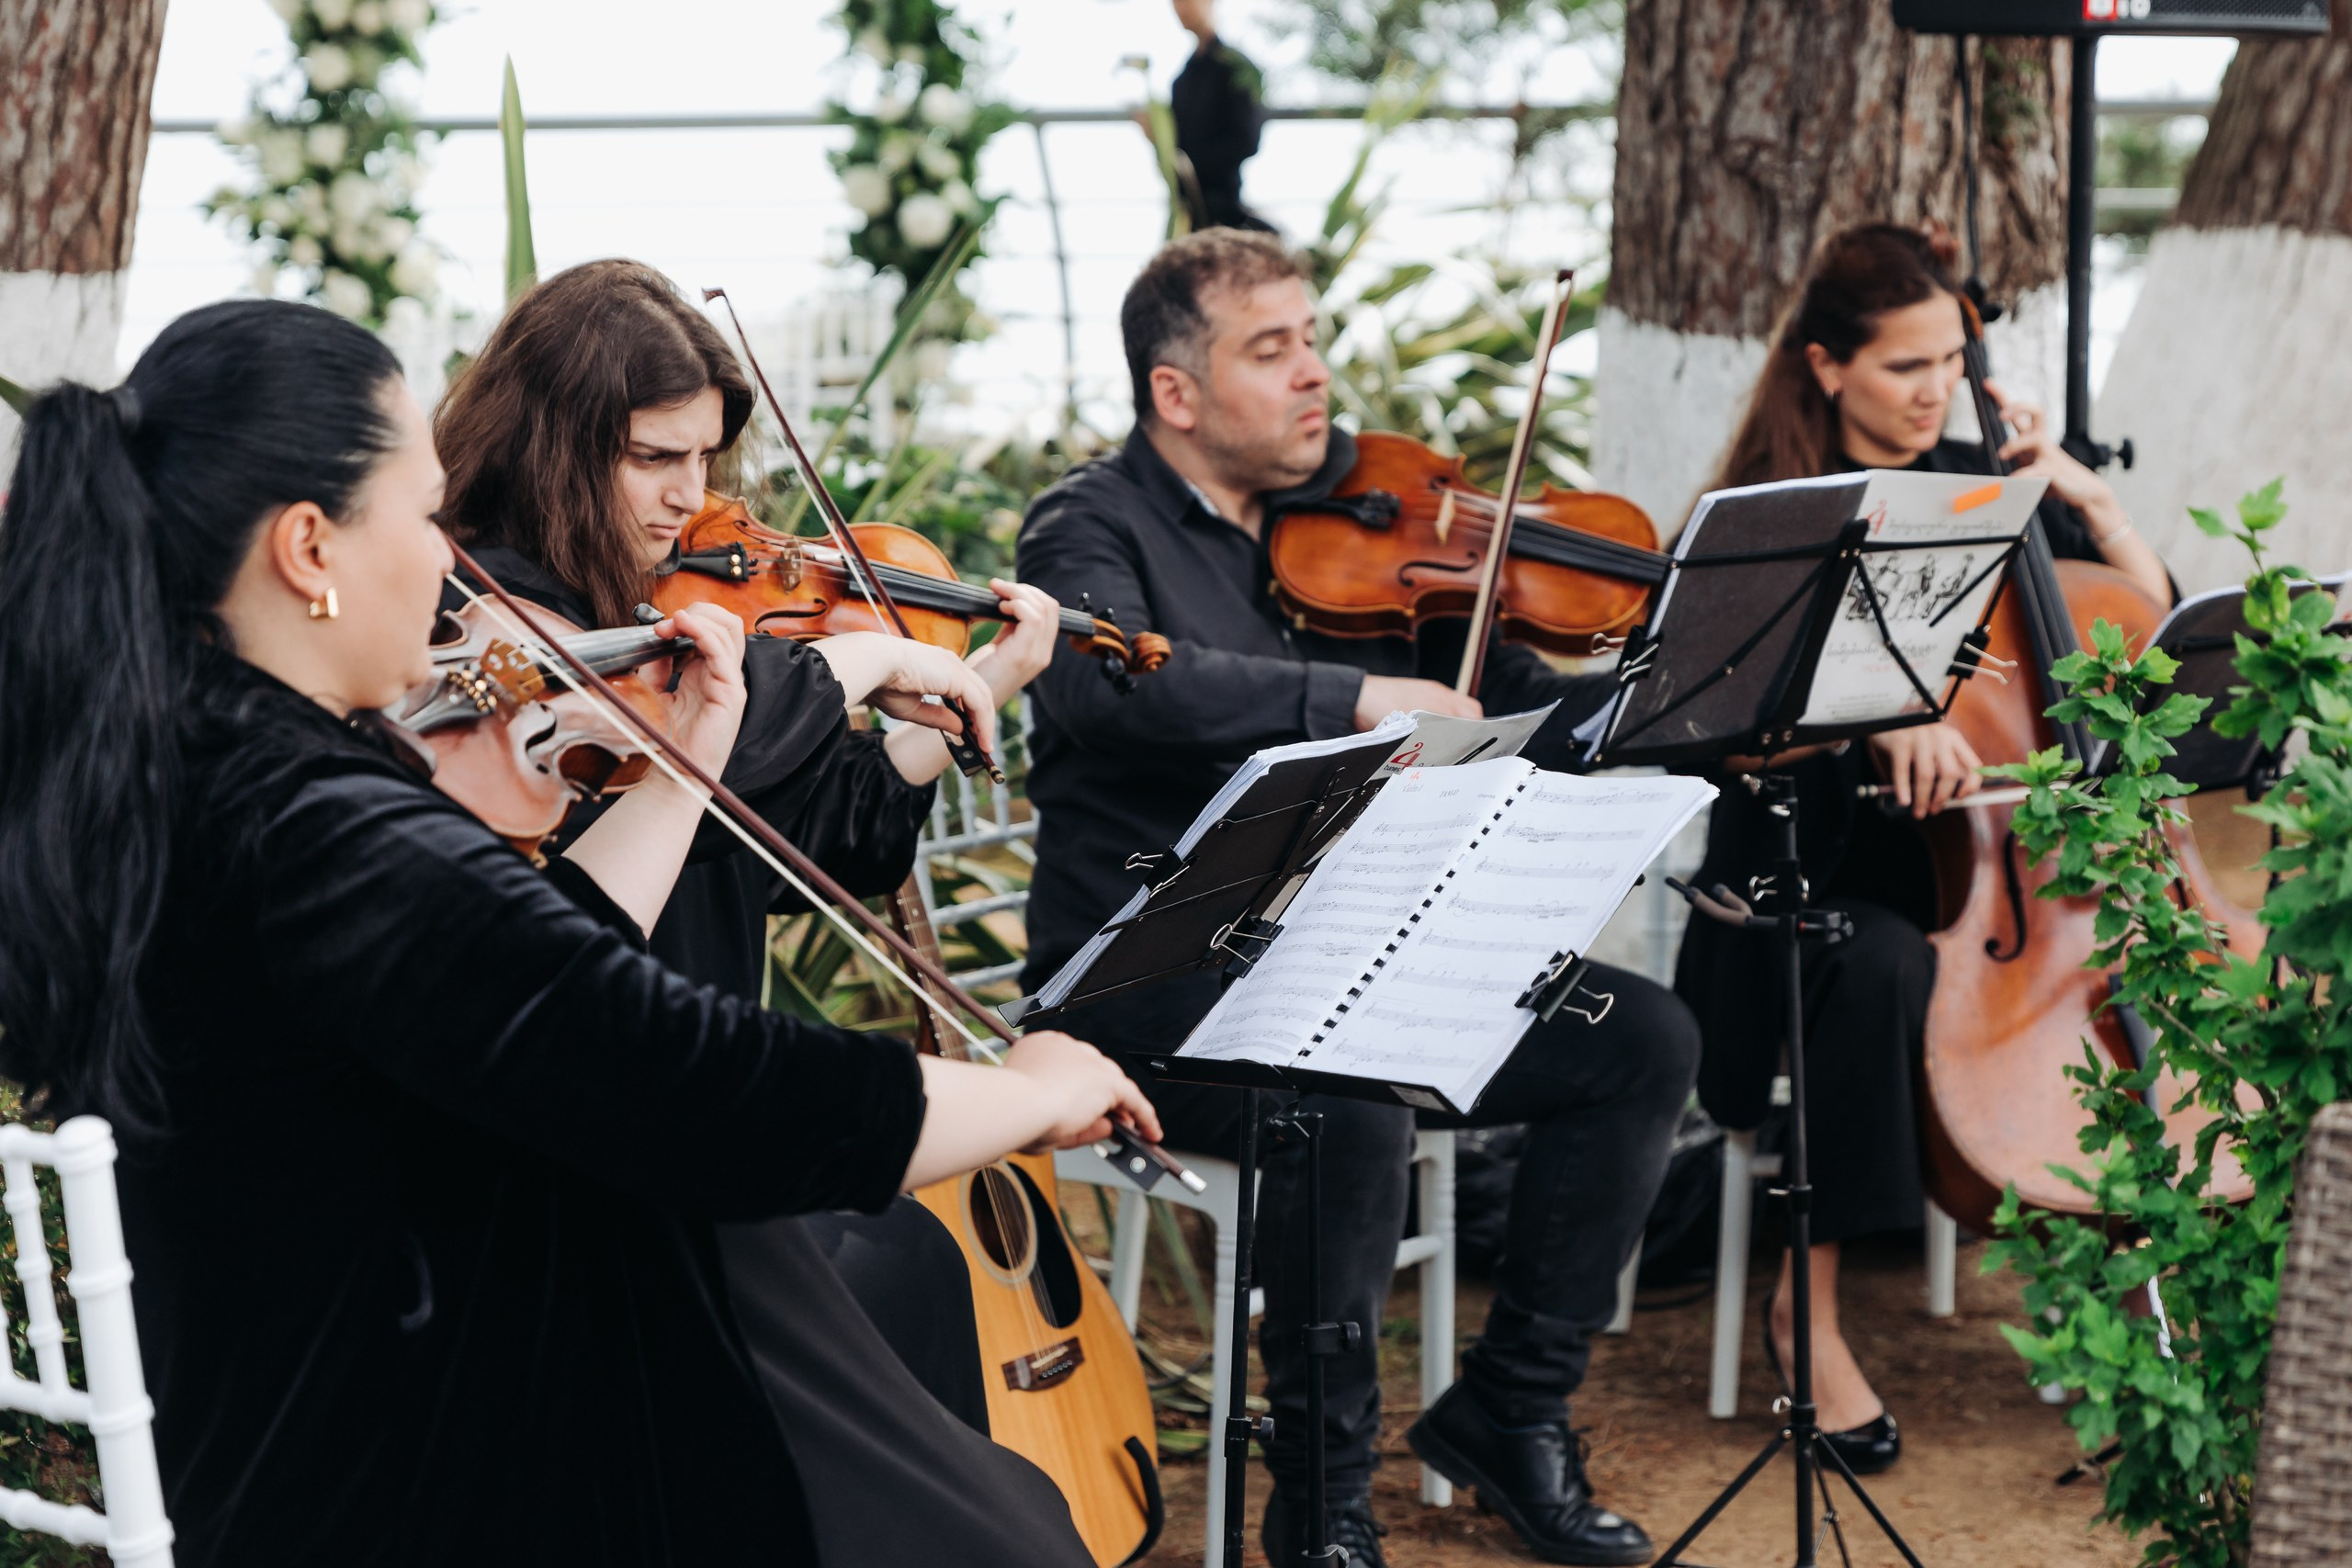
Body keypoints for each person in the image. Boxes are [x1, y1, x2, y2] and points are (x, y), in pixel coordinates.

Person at [0, 297, 1159, 1567]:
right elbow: (699, 1090)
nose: (451, 562)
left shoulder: (202, 765)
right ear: (309, 548)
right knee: (969, 1514)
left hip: (334, 1373)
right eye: (426, 514)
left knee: (939, 1467)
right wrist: (1031, 1088)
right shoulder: (314, 826)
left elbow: (536, 974)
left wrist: (687, 761)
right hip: (427, 1447)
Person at [1016, 228, 1699, 1568]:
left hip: (1342, 952)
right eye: (1272, 350)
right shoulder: (1089, 524)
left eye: (1314, 339)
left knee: (1642, 1041)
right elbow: (1111, 682)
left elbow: (1507, 707)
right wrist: (1353, 696)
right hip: (1147, 982)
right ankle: (1322, 1503)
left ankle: (1511, 1409)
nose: (1316, 376)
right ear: (1177, 391)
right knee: (1346, 1097)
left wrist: (1662, 705)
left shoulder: (1355, 532)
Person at [430, 260, 1097, 1567]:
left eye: (705, 454)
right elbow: (679, 731)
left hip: (698, 1107)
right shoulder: (499, 619)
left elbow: (816, 832)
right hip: (606, 1139)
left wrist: (976, 686)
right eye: (651, 457)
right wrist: (869, 656)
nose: (691, 494)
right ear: (555, 441)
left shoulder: (654, 610)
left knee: (910, 1259)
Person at [1679, 221, 2176, 1477]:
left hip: (1983, 880)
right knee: (1882, 959)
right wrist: (1864, 729)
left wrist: (2095, 505)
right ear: (1827, 365)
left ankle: (2138, 1295)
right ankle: (1809, 1307)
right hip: (1793, 892)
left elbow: (2133, 647)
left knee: (2118, 952)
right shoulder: (1765, 519)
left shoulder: (1987, 490)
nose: (1937, 390)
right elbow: (1703, 739)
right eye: (1907, 366)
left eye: (1951, 361)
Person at [1167, 0, 1273, 232]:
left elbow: (1246, 140)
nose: (1180, 9)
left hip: (1225, 208)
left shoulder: (1236, 66)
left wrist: (1195, 166)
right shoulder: (1182, 79)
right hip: (1189, 210)